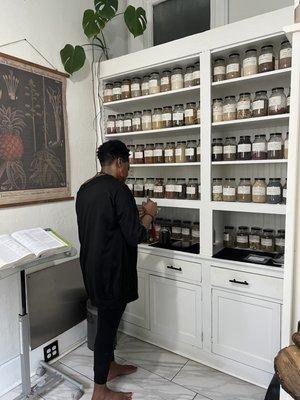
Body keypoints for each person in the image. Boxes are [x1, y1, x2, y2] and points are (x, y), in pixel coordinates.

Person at [76, 140, 157, 400]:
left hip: (92, 266)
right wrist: (150, 215)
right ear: (120, 162)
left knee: (107, 320)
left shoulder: (85, 188)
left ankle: (110, 367)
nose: (129, 168)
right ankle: (100, 390)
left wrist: (134, 213)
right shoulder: (119, 190)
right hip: (112, 270)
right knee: (107, 327)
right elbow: (136, 235)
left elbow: (106, 222)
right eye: (129, 163)